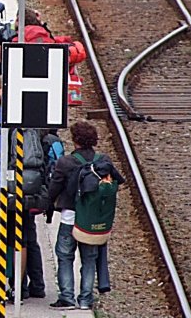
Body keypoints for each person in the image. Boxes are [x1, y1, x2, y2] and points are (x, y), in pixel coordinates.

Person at [0, 76, 46, 305]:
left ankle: (0, 288)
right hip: (22, 184)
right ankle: (17, 287)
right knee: (21, 236)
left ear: (2, 91)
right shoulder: (27, 114)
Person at [45, 121, 125, 310]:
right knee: (89, 259)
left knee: (65, 256)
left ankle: (67, 297)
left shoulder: (65, 162)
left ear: (75, 140)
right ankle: (85, 299)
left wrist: (47, 204)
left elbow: (54, 189)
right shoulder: (103, 161)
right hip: (92, 220)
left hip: (70, 217)